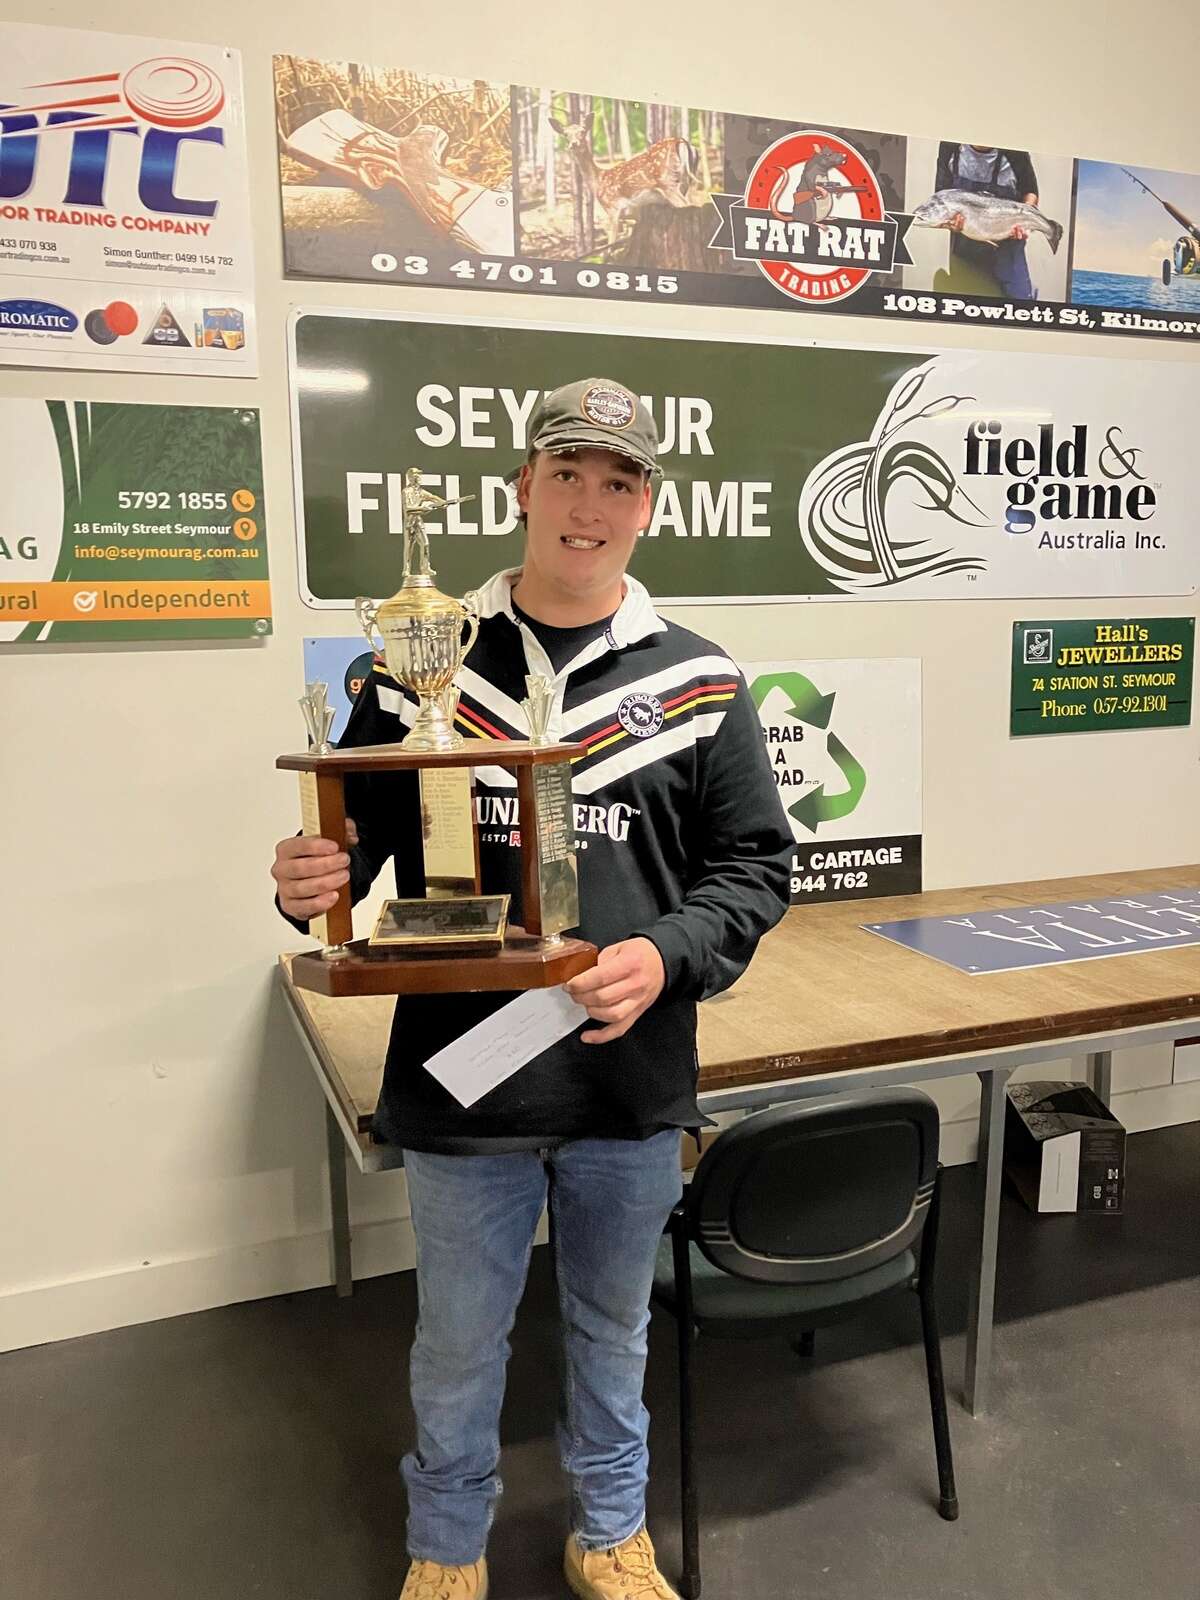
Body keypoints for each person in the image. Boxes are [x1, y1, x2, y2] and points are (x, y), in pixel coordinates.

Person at [272, 377, 793, 1600]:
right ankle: (447, 1543)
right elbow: (356, 849)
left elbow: (753, 868)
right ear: (523, 487)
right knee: (459, 1340)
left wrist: (667, 953)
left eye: (618, 483)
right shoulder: (426, 660)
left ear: (648, 506)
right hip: (466, 1081)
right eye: (567, 474)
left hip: (627, 1077)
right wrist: (307, 881)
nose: (588, 505)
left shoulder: (701, 679)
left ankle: (608, 1529)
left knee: (614, 1328)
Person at [934, 142, 1040, 299]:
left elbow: (1030, 191)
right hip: (966, 245)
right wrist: (950, 223)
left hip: (1008, 246)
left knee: (1020, 303)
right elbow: (941, 194)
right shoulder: (950, 146)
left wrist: (1025, 220)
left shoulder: (1015, 151)